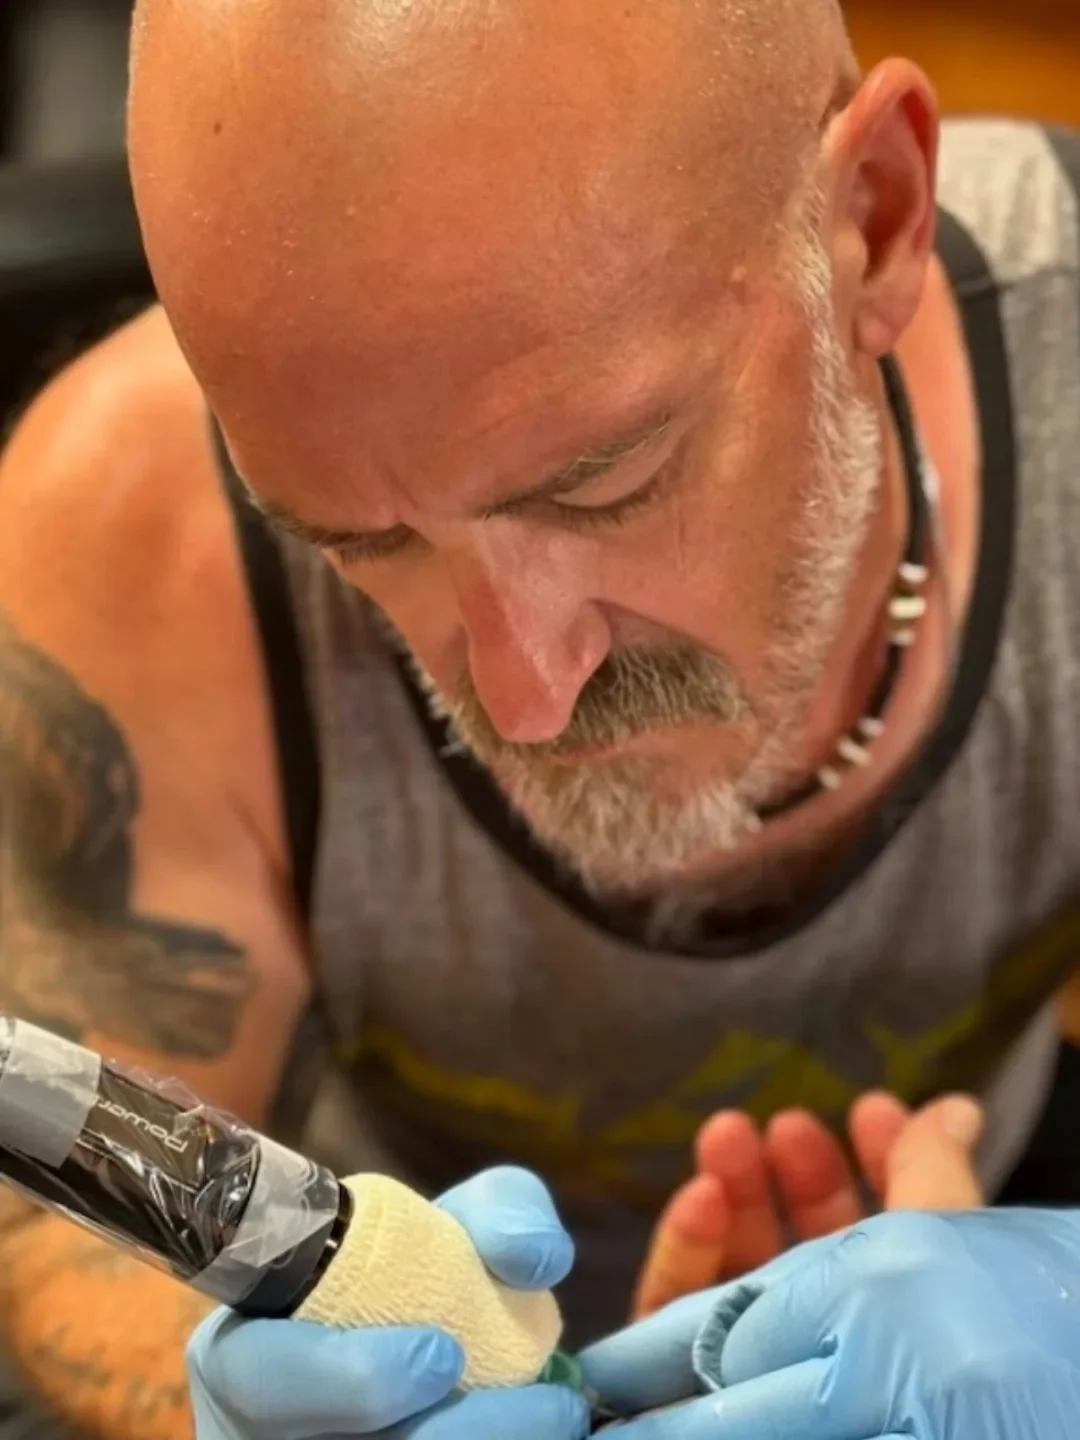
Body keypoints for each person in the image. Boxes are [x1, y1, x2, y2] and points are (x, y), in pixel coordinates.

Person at [0, 0, 1078, 1430]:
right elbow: (59, 1237)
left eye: (602, 487)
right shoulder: (128, 531)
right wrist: (216, 1414)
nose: (525, 692)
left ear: (869, 221)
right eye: (359, 546)